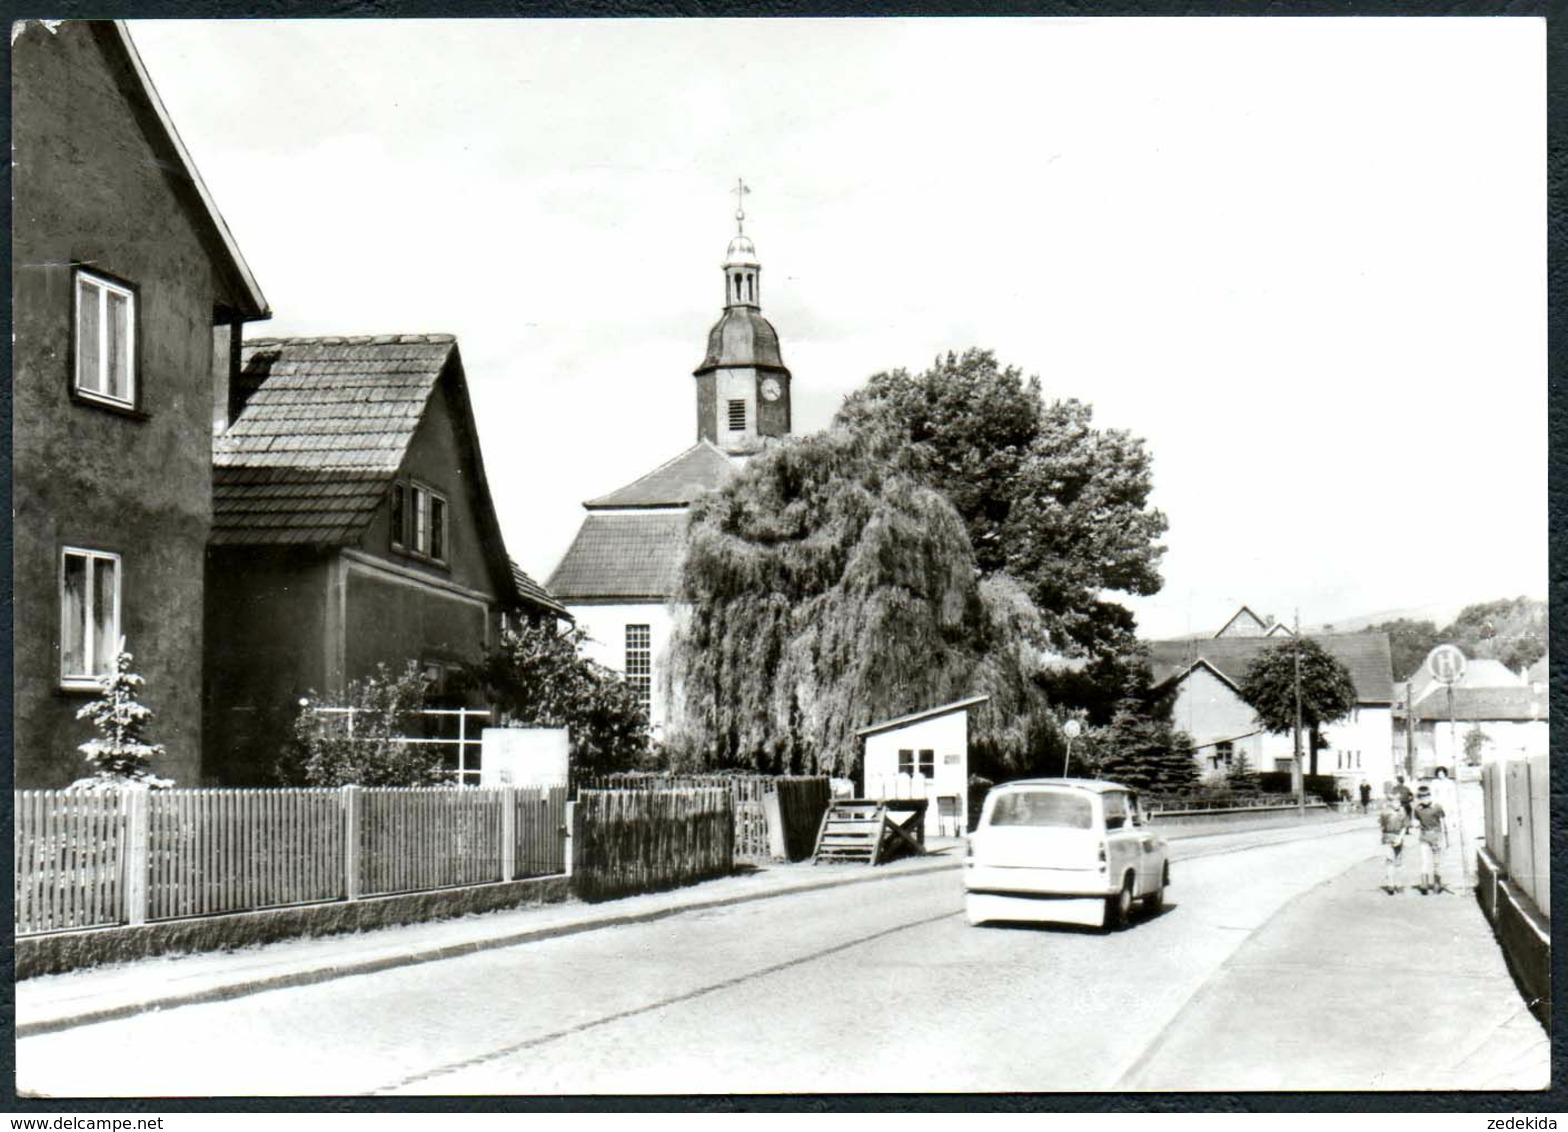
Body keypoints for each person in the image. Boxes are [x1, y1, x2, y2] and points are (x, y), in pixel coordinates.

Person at [1412, 784, 1449, 894]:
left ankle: (1437, 883)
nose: (1425, 799)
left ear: (1430, 796)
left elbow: (1443, 822)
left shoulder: (1437, 807)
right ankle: (1424, 884)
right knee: (1425, 861)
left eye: (1427, 796)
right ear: (1419, 798)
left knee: (1436, 862)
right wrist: (1415, 824)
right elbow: (1415, 821)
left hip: (1436, 836)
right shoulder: (1417, 809)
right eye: (1422, 797)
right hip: (1424, 836)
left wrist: (1446, 839)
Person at [1377, 789, 1409, 894]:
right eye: (1395, 802)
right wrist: (1384, 837)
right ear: (1390, 803)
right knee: (1390, 860)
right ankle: (1390, 884)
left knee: (1399, 861)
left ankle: (1398, 883)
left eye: (1399, 802)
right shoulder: (1385, 812)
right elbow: (1382, 826)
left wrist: (1400, 837)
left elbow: (1405, 826)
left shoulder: (1402, 812)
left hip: (1398, 836)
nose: (1397, 804)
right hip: (1388, 838)